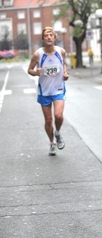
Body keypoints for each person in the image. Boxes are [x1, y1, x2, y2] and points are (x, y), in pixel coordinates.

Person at [27, 27, 69, 156]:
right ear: (43, 39)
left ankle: (58, 133)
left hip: (58, 89)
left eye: (51, 35)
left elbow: (64, 64)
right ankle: (52, 143)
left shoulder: (61, 52)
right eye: (46, 36)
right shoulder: (38, 54)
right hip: (44, 91)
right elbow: (29, 69)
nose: (49, 37)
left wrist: (65, 73)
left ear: (54, 38)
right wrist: (35, 72)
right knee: (49, 120)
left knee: (58, 116)